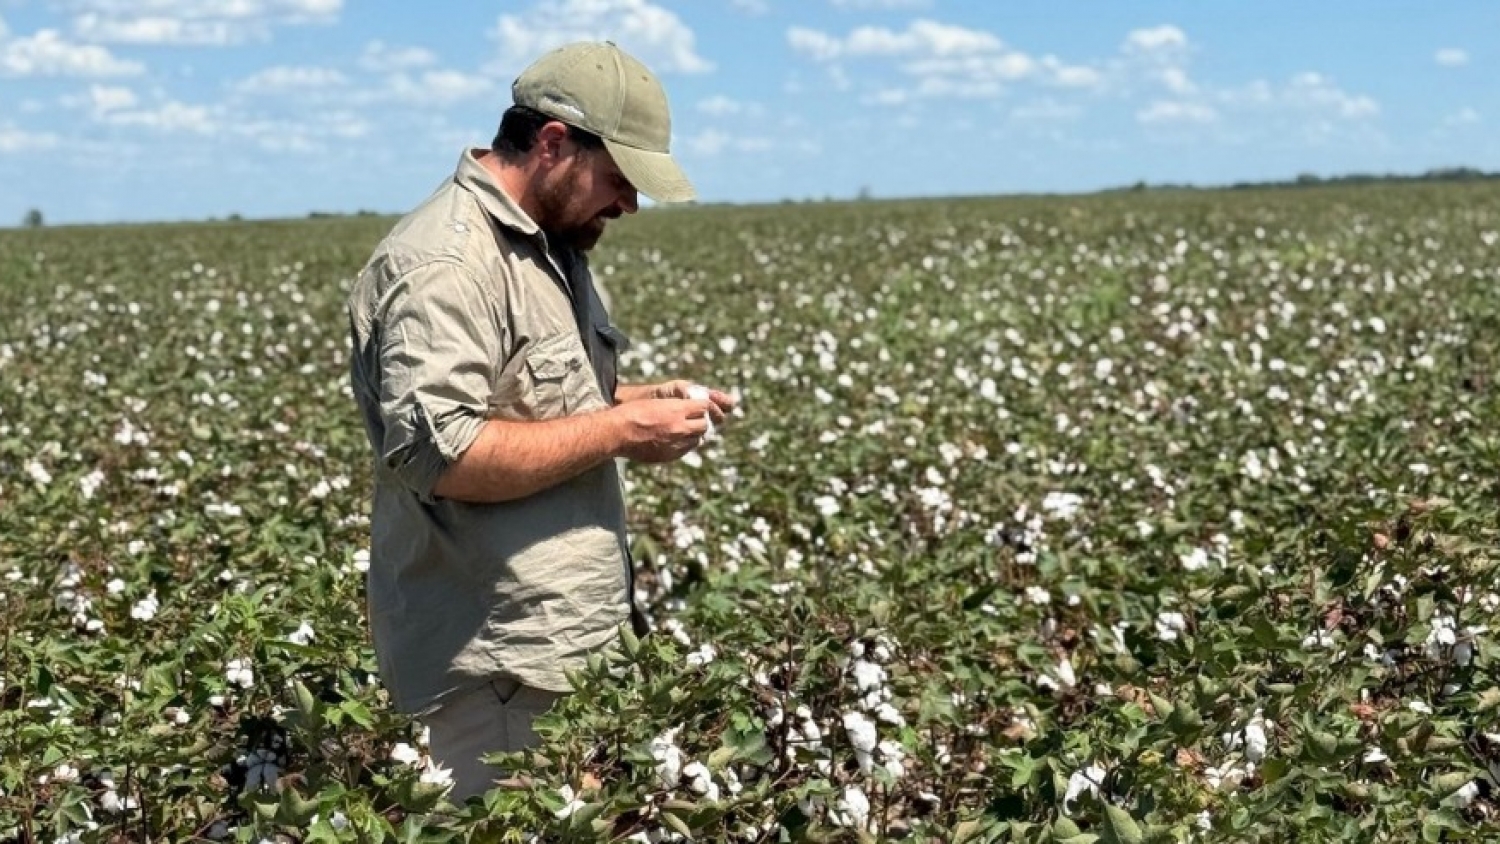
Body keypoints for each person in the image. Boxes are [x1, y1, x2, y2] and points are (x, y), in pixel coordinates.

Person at [346, 40, 736, 802]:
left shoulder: (547, 246)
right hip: (495, 666)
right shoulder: (448, 267)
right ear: (554, 144)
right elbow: (445, 456)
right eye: (619, 180)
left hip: (557, 652)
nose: (627, 204)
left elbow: (539, 404)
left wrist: (643, 402)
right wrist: (622, 433)